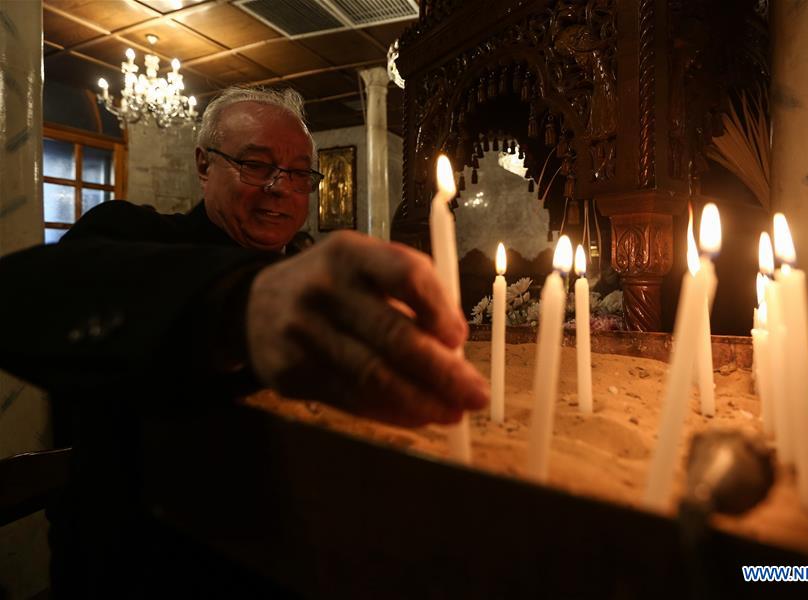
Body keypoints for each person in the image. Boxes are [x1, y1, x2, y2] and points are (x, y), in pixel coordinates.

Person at [0, 86, 488, 597]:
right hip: (150, 567)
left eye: (299, 173)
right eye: (256, 165)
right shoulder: (130, 233)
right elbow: (20, 298)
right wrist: (239, 304)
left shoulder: (307, 269)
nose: (281, 187)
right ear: (204, 165)